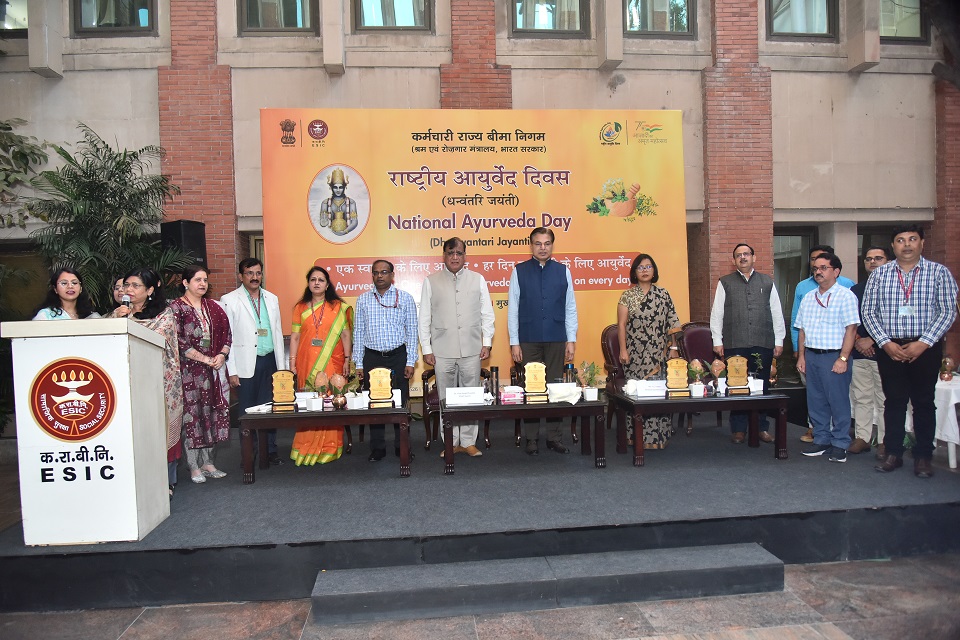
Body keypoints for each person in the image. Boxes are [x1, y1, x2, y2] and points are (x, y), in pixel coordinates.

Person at [862, 224, 959, 478]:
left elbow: (947, 311)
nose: (906, 244)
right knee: (894, 401)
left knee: (924, 402)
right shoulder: (879, 275)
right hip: (890, 347)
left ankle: (923, 456)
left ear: (922, 243)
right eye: (900, 240)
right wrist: (885, 342)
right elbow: (868, 312)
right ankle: (893, 453)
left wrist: (924, 342)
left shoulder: (939, 273)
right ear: (893, 246)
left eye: (912, 239)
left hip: (925, 348)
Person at [419, 237, 495, 458]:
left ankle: (469, 442)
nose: (454, 257)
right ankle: (451, 442)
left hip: (472, 349)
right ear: (444, 255)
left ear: (464, 256)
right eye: (450, 253)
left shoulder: (478, 279)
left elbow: (487, 314)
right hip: (442, 351)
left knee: (470, 397)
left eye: (459, 253)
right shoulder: (430, 281)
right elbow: (424, 318)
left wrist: (487, 342)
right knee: (446, 397)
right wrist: (427, 348)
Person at [112, 268, 183, 498]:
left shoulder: (164, 314)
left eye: (135, 286)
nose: (129, 290)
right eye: (126, 285)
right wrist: (117, 320)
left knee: (159, 431)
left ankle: (165, 481)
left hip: (158, 384)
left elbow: (156, 339)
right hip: (127, 384)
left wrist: (128, 324)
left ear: (150, 290)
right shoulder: (118, 314)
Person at [508, 227, 578, 455]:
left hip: (556, 337)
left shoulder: (563, 271)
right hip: (528, 338)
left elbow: (570, 307)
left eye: (547, 243)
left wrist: (571, 339)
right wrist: (514, 342)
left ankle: (554, 438)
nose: (542, 248)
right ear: (531, 245)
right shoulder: (519, 271)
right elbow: (513, 309)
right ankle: (531, 438)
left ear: (552, 245)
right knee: (533, 387)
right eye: (538, 243)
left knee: (555, 388)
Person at [709, 243, 785, 444]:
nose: (742, 257)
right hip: (735, 342)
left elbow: (776, 312)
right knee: (737, 385)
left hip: (763, 341)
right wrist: (717, 340)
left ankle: (761, 427)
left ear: (754, 257)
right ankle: (739, 429)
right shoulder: (725, 282)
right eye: (738, 255)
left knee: (761, 386)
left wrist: (779, 340)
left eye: (746, 254)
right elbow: (717, 313)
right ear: (733, 260)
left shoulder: (767, 282)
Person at [168, 265, 232, 484]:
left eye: (205, 280)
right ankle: (194, 466)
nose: (202, 284)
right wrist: (205, 359)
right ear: (185, 282)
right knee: (193, 417)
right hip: (188, 373)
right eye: (197, 280)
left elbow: (227, 334)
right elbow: (177, 340)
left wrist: (222, 355)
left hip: (213, 371)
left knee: (211, 414)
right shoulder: (176, 308)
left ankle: (208, 462)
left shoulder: (213, 307)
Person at [221, 258, 287, 465]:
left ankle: (271, 451)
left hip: (270, 361)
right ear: (241, 276)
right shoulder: (229, 300)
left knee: (270, 409)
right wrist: (231, 370)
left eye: (258, 273)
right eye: (249, 273)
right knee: (247, 413)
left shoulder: (272, 298)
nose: (254, 277)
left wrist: (282, 368)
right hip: (245, 364)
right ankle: (249, 453)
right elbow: (227, 337)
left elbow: (277, 332)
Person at [795, 253, 859, 463]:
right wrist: (801, 356)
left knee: (838, 401)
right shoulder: (808, 297)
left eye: (823, 268)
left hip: (834, 356)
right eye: (815, 269)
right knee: (816, 401)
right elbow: (802, 330)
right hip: (812, 356)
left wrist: (843, 358)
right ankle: (821, 439)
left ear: (836, 271)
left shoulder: (846, 296)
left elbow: (851, 329)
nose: (818, 272)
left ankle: (840, 443)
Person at [352, 259, 418, 462]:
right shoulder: (363, 300)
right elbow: (358, 333)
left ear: (392, 275)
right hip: (372, 358)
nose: (379, 276)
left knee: (400, 404)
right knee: (375, 404)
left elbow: (412, 331)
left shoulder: (405, 298)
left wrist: (410, 361)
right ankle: (377, 448)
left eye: (384, 272)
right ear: (372, 275)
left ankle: (402, 446)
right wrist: (359, 363)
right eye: (376, 272)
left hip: (398, 357)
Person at [288, 266, 352, 465]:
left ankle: (329, 448)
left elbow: (346, 335)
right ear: (308, 283)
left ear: (327, 284)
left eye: (321, 280)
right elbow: (295, 336)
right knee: (310, 401)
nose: (316, 283)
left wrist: (348, 360)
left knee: (331, 401)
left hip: (333, 361)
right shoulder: (300, 307)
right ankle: (306, 447)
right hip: (307, 361)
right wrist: (291, 362)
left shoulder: (339, 307)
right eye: (313, 279)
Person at [617, 253, 680, 449]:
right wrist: (623, 350)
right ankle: (635, 437)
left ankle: (658, 437)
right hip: (635, 354)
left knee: (657, 394)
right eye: (640, 267)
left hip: (658, 354)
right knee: (637, 396)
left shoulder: (663, 294)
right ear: (634, 272)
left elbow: (672, 323)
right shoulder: (628, 295)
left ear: (654, 271)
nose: (644, 270)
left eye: (648, 267)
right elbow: (621, 325)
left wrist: (674, 348)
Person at [848, 246, 892, 456]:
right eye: (868, 259)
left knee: (885, 399)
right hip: (858, 352)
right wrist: (859, 341)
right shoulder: (856, 290)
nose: (872, 262)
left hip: (886, 352)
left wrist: (873, 340)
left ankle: (885, 441)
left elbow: (896, 321)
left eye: (878, 258)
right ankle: (862, 438)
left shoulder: (895, 288)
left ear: (888, 262)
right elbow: (849, 321)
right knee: (861, 397)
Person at [32, 267, 100, 320]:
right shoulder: (45, 315)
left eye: (74, 283)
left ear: (81, 288)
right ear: (55, 289)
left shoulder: (91, 316)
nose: (70, 286)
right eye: (64, 283)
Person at [318, 167, 358, 236]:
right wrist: (324, 219)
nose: (338, 190)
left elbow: (354, 222)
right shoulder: (325, 203)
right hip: (329, 235)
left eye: (341, 187)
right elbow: (323, 223)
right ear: (331, 188)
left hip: (347, 235)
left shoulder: (351, 202)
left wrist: (344, 232)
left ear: (344, 187)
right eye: (335, 187)